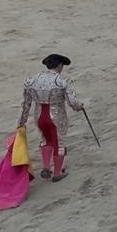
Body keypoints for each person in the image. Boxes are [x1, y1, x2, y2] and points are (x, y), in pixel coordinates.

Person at [16, 54, 85, 182]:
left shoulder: (31, 80)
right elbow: (73, 102)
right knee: (59, 143)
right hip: (57, 116)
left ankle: (46, 168)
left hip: (39, 116)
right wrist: (79, 107)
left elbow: (25, 104)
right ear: (60, 65)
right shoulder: (63, 81)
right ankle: (57, 173)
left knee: (45, 139)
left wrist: (21, 122)